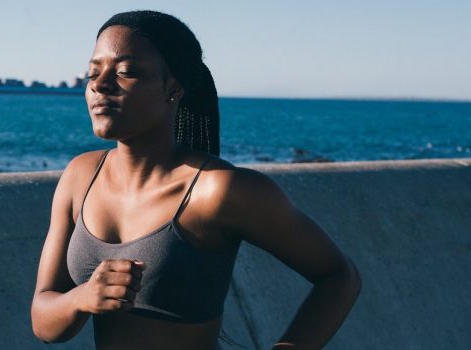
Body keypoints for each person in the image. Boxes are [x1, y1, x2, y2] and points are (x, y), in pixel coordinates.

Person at [31, 10, 361, 350]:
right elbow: (44, 323)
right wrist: (82, 297)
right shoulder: (80, 177)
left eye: (125, 72)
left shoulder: (219, 190)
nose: (99, 85)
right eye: (93, 72)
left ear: (172, 89)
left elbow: (339, 276)